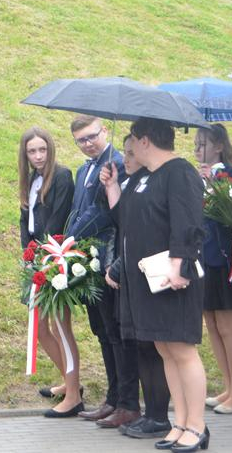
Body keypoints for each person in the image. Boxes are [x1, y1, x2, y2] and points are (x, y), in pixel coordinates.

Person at [100, 117, 208, 452]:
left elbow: (188, 223)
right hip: (148, 280)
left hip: (173, 278)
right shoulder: (143, 177)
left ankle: (197, 426)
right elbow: (127, 219)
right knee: (165, 350)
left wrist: (180, 266)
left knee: (182, 351)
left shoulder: (180, 172)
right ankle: (180, 422)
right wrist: (113, 187)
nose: (129, 145)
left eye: (133, 138)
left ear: (145, 139)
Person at [104, 135, 171, 439]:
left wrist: (119, 265)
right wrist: (112, 186)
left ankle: (159, 415)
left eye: (131, 154)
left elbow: (146, 232)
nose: (125, 159)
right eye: (124, 153)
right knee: (140, 345)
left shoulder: (156, 181)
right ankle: (150, 414)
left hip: (150, 274)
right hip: (132, 275)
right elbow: (123, 222)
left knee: (154, 348)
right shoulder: (133, 182)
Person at [66, 116, 130, 423]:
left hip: (108, 260)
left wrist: (70, 238)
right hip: (87, 262)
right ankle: (112, 398)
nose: (88, 143)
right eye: (81, 140)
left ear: (105, 130)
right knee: (101, 331)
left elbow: (103, 213)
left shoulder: (117, 164)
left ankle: (123, 401)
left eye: (92, 136)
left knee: (114, 332)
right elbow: (77, 211)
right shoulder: (83, 170)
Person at [15, 128, 77, 414]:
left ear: (50, 149)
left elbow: (57, 220)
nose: (38, 156)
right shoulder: (31, 179)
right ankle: (70, 382)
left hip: (54, 259)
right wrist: (27, 252)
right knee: (40, 328)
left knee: (61, 327)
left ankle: (73, 394)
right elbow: (25, 219)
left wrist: (43, 254)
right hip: (35, 258)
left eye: (42, 150)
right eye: (32, 151)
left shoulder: (62, 176)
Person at [194, 124, 232, 415]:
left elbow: (231, 213)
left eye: (203, 144)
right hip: (202, 258)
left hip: (222, 258)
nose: (197, 149)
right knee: (212, 325)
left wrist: (212, 184)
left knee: (227, 326)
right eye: (196, 144)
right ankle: (228, 387)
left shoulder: (230, 174)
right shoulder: (198, 176)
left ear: (218, 147)